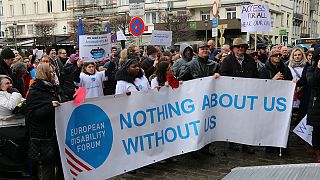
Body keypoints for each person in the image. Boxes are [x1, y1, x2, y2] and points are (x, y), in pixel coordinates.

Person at [26, 63, 65, 180]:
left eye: (54, 72)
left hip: (56, 132)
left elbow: (60, 101)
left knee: (62, 164)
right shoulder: (35, 92)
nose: (54, 74)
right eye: (51, 72)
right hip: (43, 136)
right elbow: (32, 115)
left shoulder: (54, 87)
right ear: (45, 74)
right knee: (48, 166)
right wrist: (50, 106)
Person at [219, 38, 258, 154]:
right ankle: (233, 141)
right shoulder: (227, 61)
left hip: (247, 95)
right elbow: (223, 74)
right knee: (234, 120)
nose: (240, 49)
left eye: (242, 47)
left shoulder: (250, 60)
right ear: (233, 49)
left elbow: (256, 76)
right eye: (238, 47)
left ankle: (246, 143)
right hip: (233, 96)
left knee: (247, 120)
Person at [0, 75, 29, 177]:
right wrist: (16, 93)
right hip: (7, 126)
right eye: (7, 83)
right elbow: (10, 107)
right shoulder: (2, 95)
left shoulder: (10, 94)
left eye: (10, 83)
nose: (10, 85)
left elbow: (24, 102)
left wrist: (22, 106)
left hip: (20, 123)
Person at [306, 48, 320, 162]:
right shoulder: (311, 69)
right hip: (317, 104)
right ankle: (318, 152)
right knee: (317, 129)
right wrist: (318, 70)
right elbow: (312, 82)